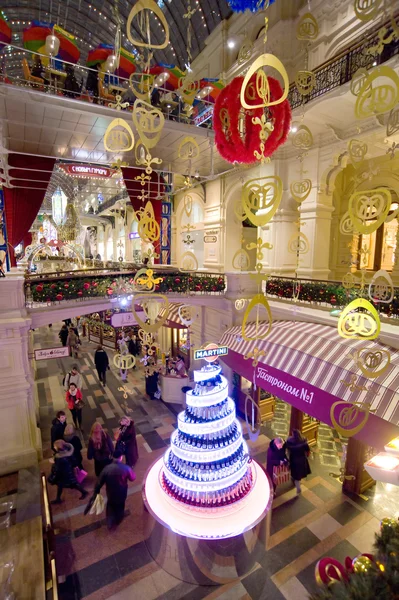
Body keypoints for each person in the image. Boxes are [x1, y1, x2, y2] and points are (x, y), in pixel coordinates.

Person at [94, 449, 135, 529]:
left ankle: (109, 521)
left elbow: (99, 482)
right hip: (122, 492)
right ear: (121, 457)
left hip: (110, 492)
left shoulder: (107, 468)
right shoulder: (126, 468)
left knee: (110, 505)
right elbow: (133, 478)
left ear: (112, 457)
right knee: (120, 506)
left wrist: (97, 491)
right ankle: (118, 520)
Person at [49, 440, 88, 505]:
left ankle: (84, 492)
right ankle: (58, 498)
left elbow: (58, 467)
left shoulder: (60, 457)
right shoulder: (68, 452)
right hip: (69, 471)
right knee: (62, 485)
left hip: (65, 473)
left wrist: (54, 465)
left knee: (73, 484)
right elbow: (74, 461)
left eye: (55, 446)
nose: (54, 447)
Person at [286, 429, 311, 495]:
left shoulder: (290, 442)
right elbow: (308, 450)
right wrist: (307, 456)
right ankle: (295, 480)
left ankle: (298, 487)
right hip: (302, 459)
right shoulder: (303, 441)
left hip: (294, 460)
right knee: (299, 473)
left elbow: (287, 448)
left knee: (295, 474)